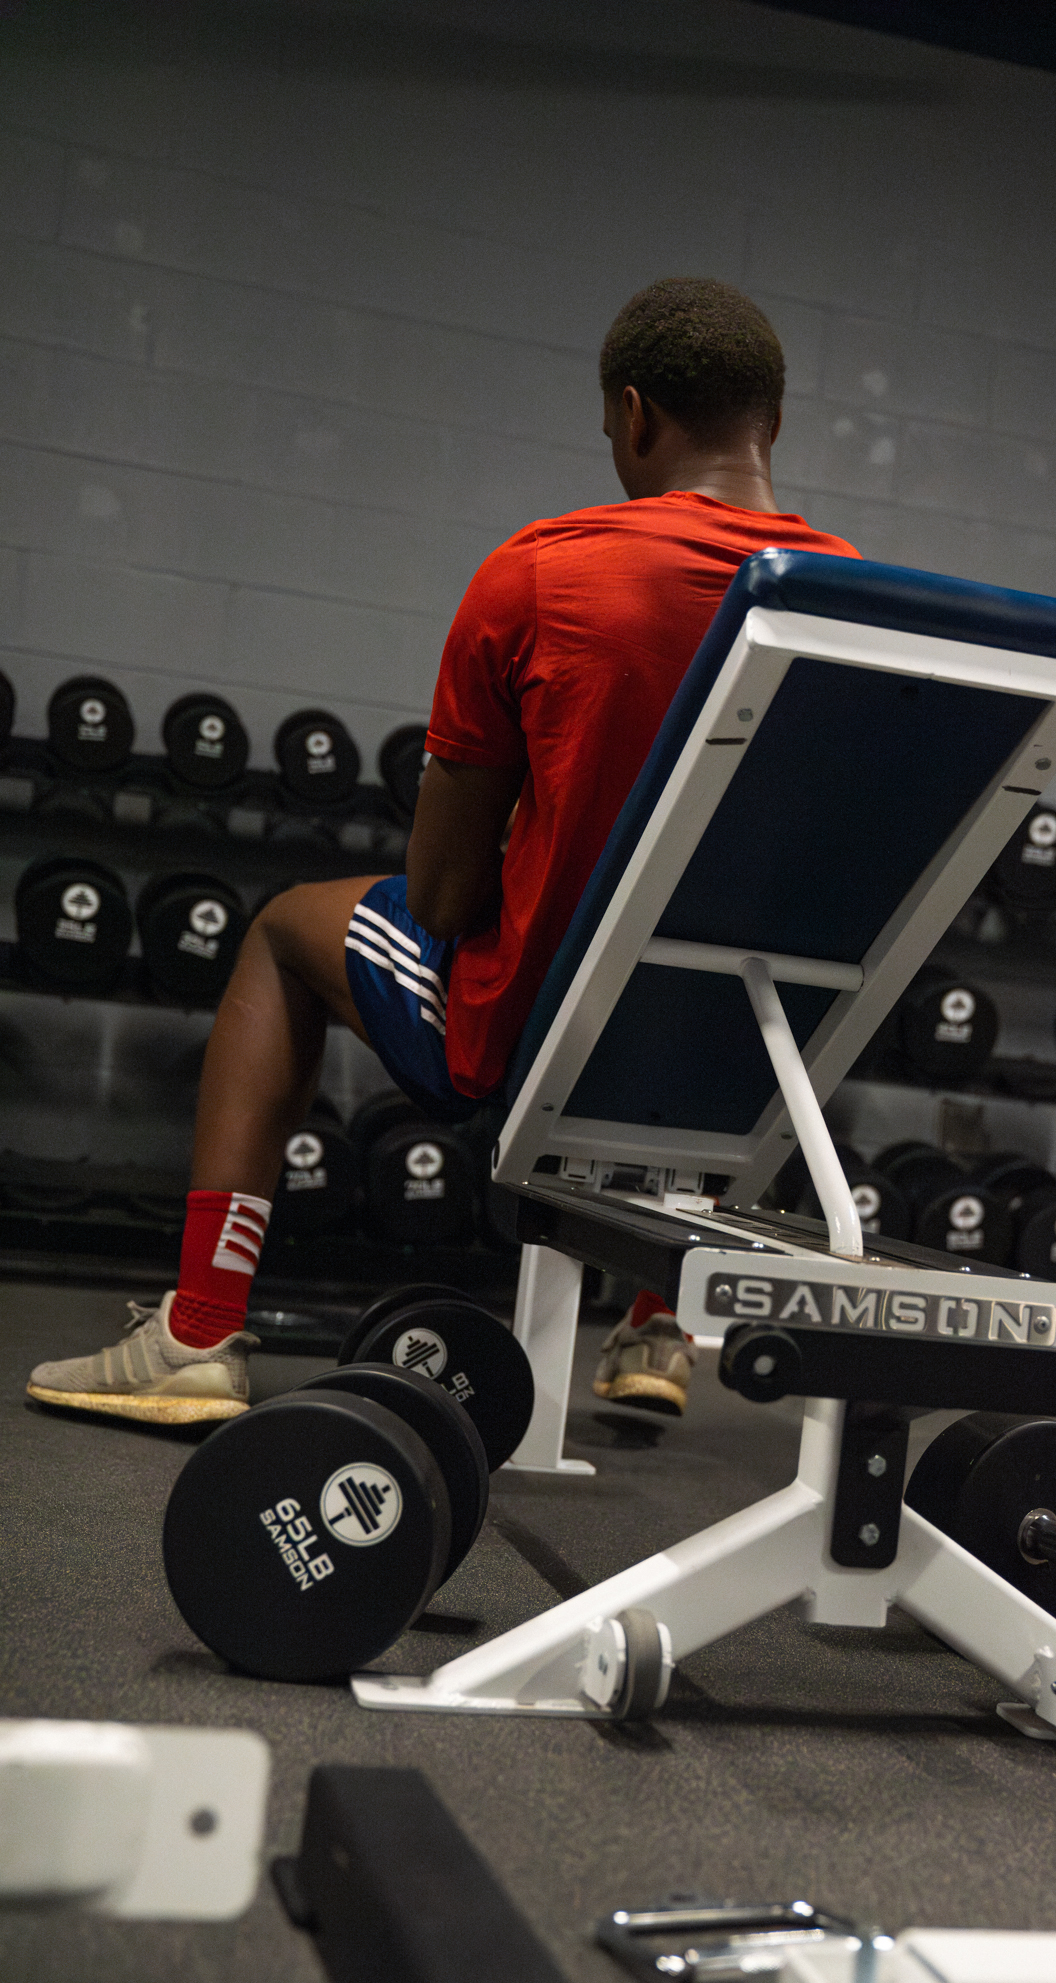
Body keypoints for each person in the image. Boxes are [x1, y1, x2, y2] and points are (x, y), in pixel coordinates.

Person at [26, 277, 859, 1428]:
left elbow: (446, 892)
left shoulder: (543, 571)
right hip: (740, 1065)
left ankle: (198, 1329)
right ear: (774, 422)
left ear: (632, 415)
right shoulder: (860, 612)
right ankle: (653, 1324)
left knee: (281, 931)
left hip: (537, 1039)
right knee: (706, 958)